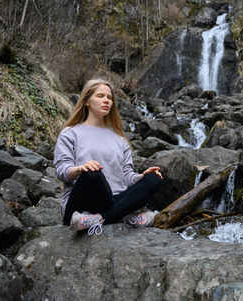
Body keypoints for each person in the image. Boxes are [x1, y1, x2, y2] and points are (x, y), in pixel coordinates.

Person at [54, 78, 163, 235]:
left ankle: (102, 218)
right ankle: (124, 215)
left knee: (154, 179)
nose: (106, 100)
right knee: (92, 173)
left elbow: (126, 176)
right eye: (100, 96)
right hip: (79, 207)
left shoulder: (120, 140)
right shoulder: (70, 133)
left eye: (110, 97)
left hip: (115, 200)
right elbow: (61, 171)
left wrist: (141, 177)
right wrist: (80, 169)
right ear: (87, 101)